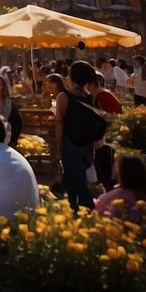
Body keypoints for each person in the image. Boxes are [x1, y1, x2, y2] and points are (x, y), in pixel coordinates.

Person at [54, 60, 105, 210]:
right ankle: (81, 210)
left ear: (72, 77)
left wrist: (59, 144)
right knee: (82, 179)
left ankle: (81, 211)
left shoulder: (64, 97)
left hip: (70, 143)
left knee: (74, 182)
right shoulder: (92, 97)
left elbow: (59, 122)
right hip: (88, 145)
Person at [95, 154, 146, 220]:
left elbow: (99, 206)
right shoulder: (142, 196)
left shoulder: (119, 194)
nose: (113, 167)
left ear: (121, 172)